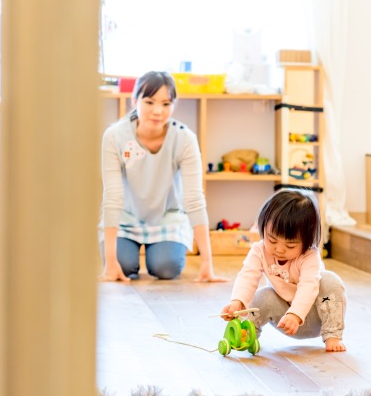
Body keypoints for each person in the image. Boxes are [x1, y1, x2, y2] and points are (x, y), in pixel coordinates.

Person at [99, 70, 226, 283]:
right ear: (134, 100)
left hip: (168, 218)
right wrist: (110, 263)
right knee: (123, 265)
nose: (158, 111)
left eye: (166, 104)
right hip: (126, 217)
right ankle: (119, 256)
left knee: (165, 268)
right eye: (149, 102)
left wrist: (207, 263)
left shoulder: (184, 138)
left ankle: (160, 253)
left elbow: (194, 198)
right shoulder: (114, 136)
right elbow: (112, 196)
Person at [220, 189, 347, 352]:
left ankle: (333, 335)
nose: (279, 249)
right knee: (263, 296)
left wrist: (296, 314)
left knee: (330, 280)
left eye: (290, 245)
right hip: (284, 319)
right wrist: (237, 302)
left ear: (307, 241)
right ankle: (247, 335)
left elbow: (309, 287)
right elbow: (248, 276)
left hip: (317, 316)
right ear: (262, 227)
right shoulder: (259, 250)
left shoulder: (309, 256)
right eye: (272, 240)